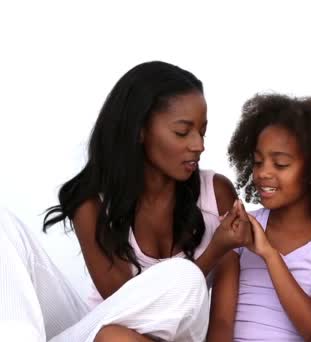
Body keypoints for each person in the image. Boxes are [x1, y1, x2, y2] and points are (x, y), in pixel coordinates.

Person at [0, 61, 252, 342]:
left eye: (202, 132)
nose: (198, 145)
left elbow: (222, 320)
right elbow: (121, 304)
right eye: (183, 132)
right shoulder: (92, 203)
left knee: (178, 285)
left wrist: (218, 252)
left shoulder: (215, 194)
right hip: (97, 332)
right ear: (140, 130)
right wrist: (212, 252)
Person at [207, 94, 311, 341]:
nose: (263, 173)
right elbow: (221, 323)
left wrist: (270, 254)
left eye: (280, 164)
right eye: (258, 161)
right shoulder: (239, 227)